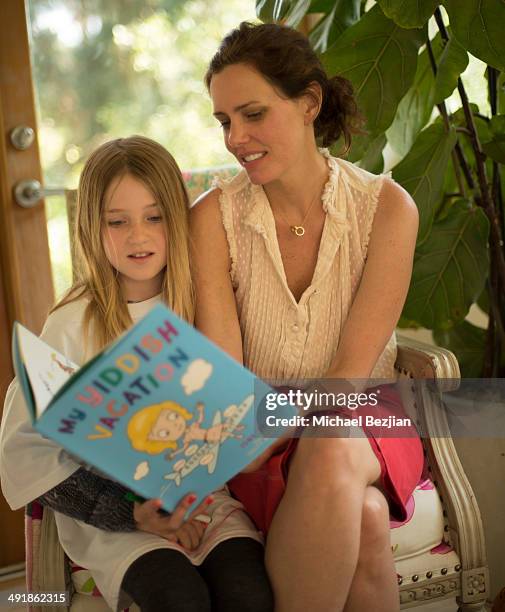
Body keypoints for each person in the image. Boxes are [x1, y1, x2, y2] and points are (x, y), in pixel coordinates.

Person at [190, 22, 424, 612]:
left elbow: (348, 381)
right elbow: (226, 375)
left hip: (364, 424)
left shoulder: (387, 209)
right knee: (366, 519)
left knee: (331, 435)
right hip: (262, 441)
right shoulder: (212, 219)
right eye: (224, 122)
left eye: (252, 114)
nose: (235, 138)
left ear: (309, 104)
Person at [0, 136, 273, 612]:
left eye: (154, 217)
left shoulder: (202, 304)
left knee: (248, 595)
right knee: (178, 599)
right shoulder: (71, 324)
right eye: (117, 222)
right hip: (117, 519)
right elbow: (28, 457)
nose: (138, 236)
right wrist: (131, 513)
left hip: (204, 502)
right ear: (92, 227)